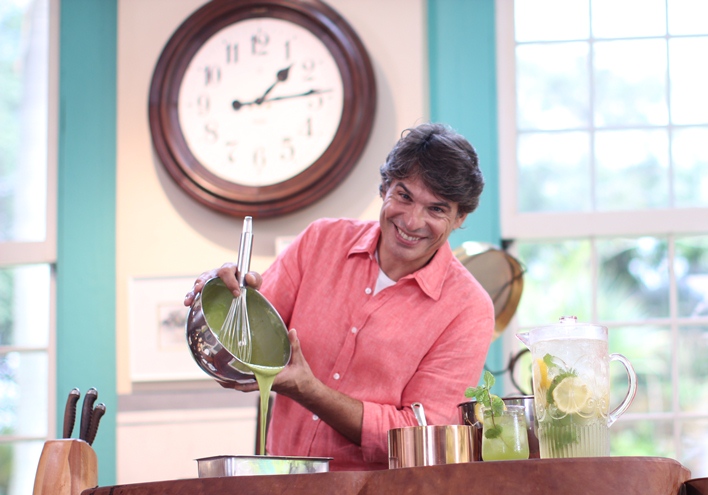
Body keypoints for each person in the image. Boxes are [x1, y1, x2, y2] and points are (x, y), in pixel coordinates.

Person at [184, 123, 495, 470]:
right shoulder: (320, 240)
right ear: (385, 188)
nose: (411, 221)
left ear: (460, 217)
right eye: (404, 196)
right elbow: (243, 348)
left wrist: (311, 391)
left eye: (436, 209)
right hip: (281, 485)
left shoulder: (469, 309)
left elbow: (422, 438)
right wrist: (221, 297)